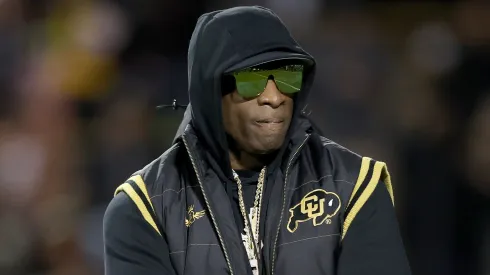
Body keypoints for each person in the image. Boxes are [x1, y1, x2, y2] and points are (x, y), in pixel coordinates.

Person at [103, 6, 411, 275]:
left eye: (288, 77)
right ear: (210, 91)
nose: (275, 98)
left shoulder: (354, 186)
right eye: (252, 81)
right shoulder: (144, 208)